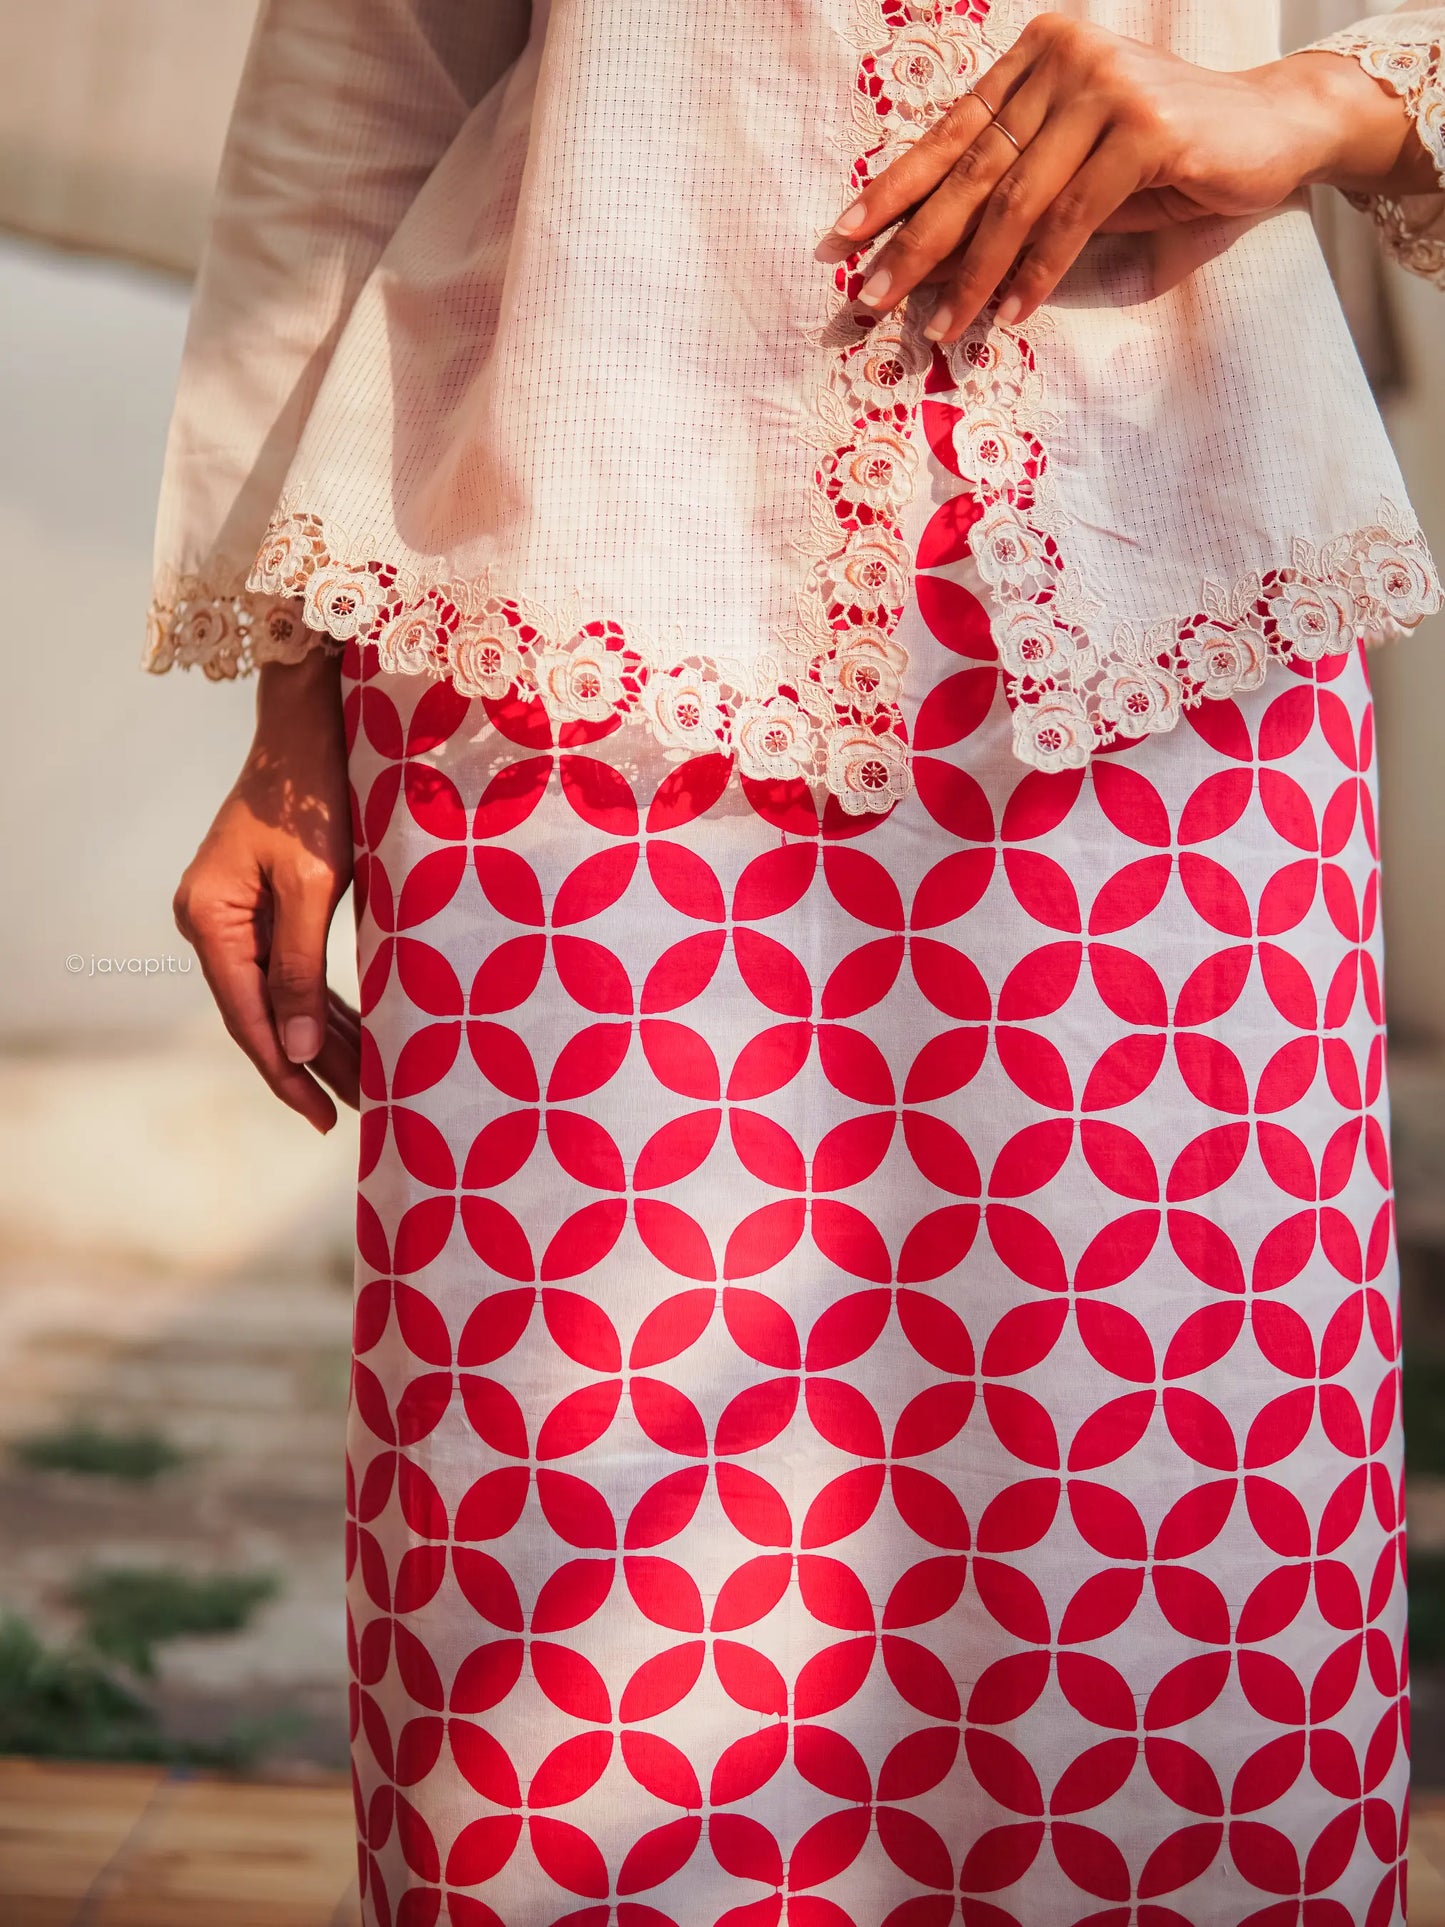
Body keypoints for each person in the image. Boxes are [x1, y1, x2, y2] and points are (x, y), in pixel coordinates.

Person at [149, 2, 1445, 1920]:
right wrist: (290, 727)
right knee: (572, 1605)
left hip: (1169, 624)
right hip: (579, 631)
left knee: (1173, 1588)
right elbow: (358, 89)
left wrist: (1321, 98)